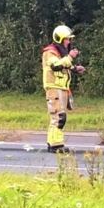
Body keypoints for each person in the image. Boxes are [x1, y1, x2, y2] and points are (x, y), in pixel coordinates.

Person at [42, 25, 85, 153]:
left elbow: (64, 66)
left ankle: (53, 143)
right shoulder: (50, 52)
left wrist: (75, 69)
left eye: (69, 39)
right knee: (59, 117)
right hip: (54, 87)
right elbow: (56, 66)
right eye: (66, 39)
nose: (68, 42)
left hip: (61, 88)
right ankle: (56, 145)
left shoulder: (59, 53)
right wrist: (70, 57)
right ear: (59, 39)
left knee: (57, 116)